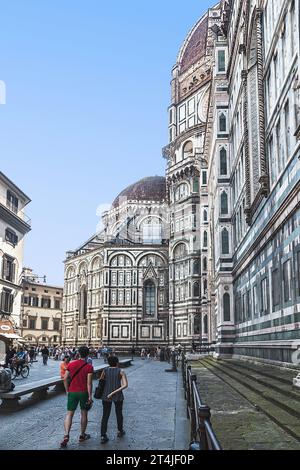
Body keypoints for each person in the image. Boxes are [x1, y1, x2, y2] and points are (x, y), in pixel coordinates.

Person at [60, 346, 94, 448]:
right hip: (83, 392)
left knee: (69, 414)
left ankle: (66, 435)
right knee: (84, 414)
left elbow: (65, 378)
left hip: (72, 392)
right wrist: (90, 396)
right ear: (88, 354)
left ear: (78, 353)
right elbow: (89, 384)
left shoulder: (71, 364)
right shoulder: (89, 367)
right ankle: (82, 435)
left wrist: (67, 390)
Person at [100, 356, 128, 444]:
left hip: (106, 395)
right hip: (118, 395)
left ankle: (103, 435)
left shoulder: (105, 370)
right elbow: (125, 385)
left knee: (105, 415)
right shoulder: (121, 371)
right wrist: (114, 392)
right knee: (119, 413)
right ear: (117, 362)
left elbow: (101, 382)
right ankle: (120, 431)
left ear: (108, 363)